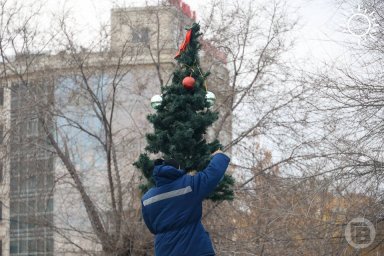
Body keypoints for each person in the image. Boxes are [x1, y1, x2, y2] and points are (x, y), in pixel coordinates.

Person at [141, 150, 230, 256]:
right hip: (194, 249)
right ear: (177, 169)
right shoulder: (189, 185)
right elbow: (211, 175)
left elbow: (152, 227)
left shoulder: (146, 199)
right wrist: (219, 156)